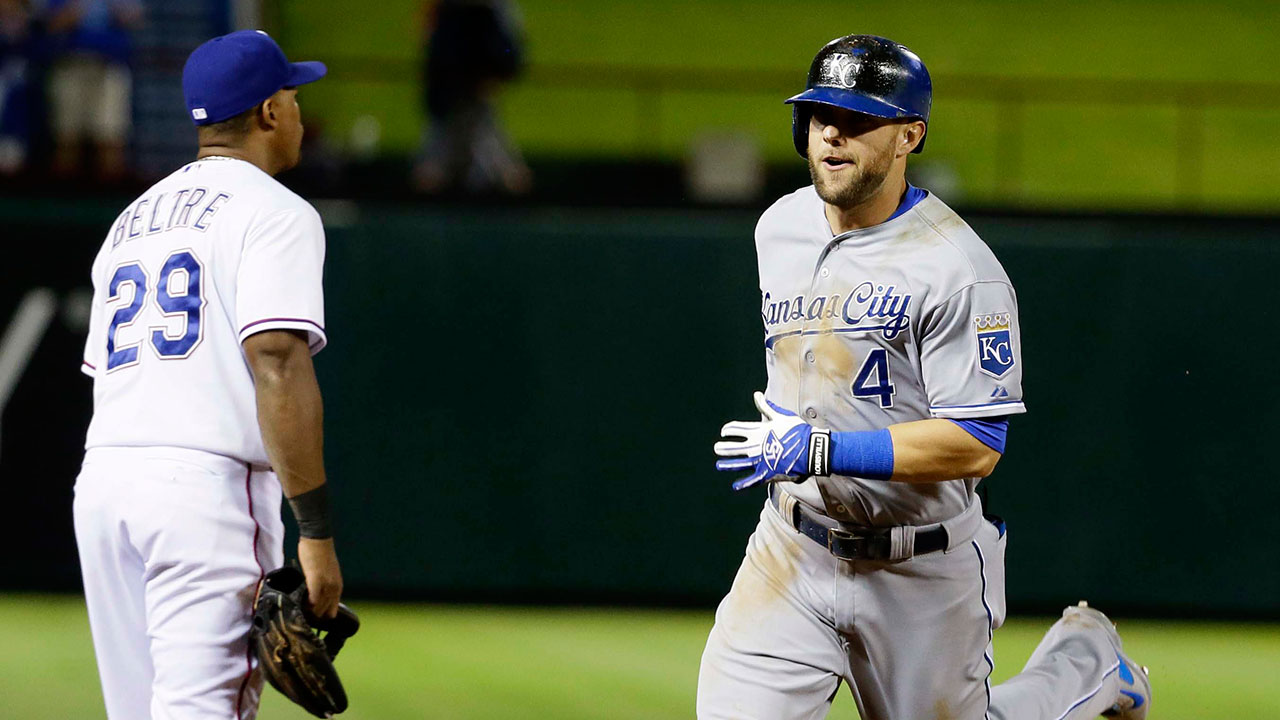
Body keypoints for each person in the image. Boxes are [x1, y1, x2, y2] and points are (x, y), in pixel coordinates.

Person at [700, 35, 1152, 720]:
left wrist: (822, 449)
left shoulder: (959, 268)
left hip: (919, 569)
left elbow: (977, 441)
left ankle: (1088, 663)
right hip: (792, 549)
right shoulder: (780, 227)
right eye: (820, 115)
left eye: (858, 120)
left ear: (910, 135)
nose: (831, 133)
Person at [74, 30, 343, 719]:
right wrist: (314, 530)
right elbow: (278, 365)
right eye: (293, 92)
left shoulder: (129, 222)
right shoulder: (276, 212)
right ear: (269, 112)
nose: (300, 108)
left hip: (105, 487)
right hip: (202, 496)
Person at [412, 0, 530, 195]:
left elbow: (510, 54)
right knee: (432, 174)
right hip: (452, 102)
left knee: (506, 176)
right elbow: (437, 57)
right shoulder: (449, 20)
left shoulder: (493, 16)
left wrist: (493, 71)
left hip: (474, 103)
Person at [43, 0, 142, 179]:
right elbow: (50, 24)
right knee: (67, 139)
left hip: (109, 66)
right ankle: (62, 201)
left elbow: (134, 17)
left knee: (111, 139)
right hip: (70, 65)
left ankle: (112, 203)